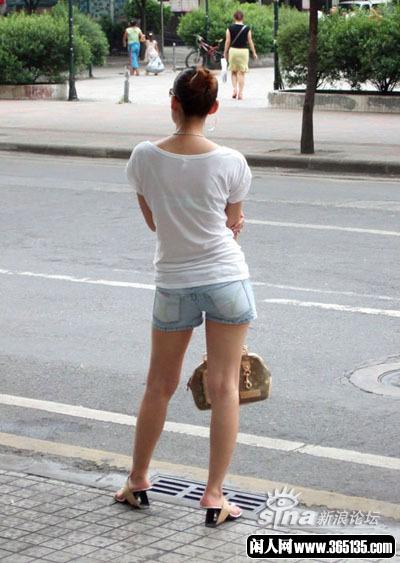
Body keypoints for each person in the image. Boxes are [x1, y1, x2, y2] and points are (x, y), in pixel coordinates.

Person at [114, 67, 257, 528]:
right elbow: (232, 224)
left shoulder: (143, 156)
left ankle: (137, 480)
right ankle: (214, 496)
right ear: (213, 108)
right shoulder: (232, 161)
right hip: (226, 279)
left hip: (173, 281)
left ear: (173, 103)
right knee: (225, 387)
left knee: (159, 384)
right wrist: (229, 224)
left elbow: (155, 223)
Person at [224, 10, 257, 100]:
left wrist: (225, 52)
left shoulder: (230, 28)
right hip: (243, 52)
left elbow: (227, 41)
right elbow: (250, 41)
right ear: (243, 18)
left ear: (234, 17)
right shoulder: (247, 28)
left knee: (233, 71)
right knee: (241, 73)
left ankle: (235, 89)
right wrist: (254, 52)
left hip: (233, 51)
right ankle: (240, 93)